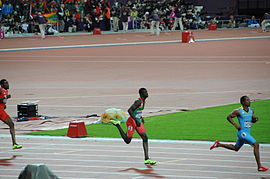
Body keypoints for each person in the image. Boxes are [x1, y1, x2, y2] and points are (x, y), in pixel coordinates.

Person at [210, 96, 268, 172]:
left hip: (247, 133)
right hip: (242, 133)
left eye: (249, 100)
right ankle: (259, 166)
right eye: (247, 100)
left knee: (235, 148)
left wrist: (255, 119)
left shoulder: (251, 110)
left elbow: (252, 120)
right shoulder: (238, 111)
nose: (249, 101)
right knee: (256, 144)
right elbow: (228, 117)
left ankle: (218, 144)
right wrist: (236, 125)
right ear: (243, 102)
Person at [109, 88, 156, 165]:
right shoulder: (138, 101)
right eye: (145, 92)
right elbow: (130, 110)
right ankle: (117, 125)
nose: (147, 93)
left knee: (145, 137)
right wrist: (136, 120)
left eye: (147, 92)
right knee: (127, 140)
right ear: (141, 94)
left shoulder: (143, 101)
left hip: (137, 120)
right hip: (131, 121)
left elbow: (137, 111)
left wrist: (140, 118)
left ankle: (147, 159)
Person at [0, 79, 22, 150]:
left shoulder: (5, 91)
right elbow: (2, 98)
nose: (8, 84)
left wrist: (4, 105)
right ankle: (14, 143)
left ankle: (14, 144)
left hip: (1, 111)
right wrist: (5, 97)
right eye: (6, 83)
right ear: (2, 85)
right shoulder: (0, 90)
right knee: (11, 124)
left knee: (11, 124)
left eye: (8, 83)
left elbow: (2, 101)